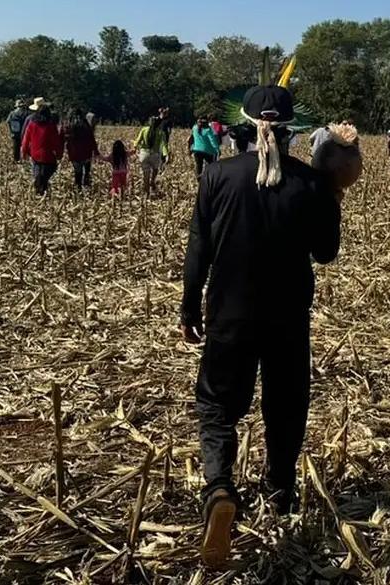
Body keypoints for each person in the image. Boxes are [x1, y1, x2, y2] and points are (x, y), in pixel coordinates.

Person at [179, 85, 343, 569]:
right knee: (285, 404)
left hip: (228, 313)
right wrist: (332, 191)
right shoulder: (310, 184)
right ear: (290, 129)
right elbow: (325, 253)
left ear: (245, 127)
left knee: (216, 402)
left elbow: (198, 248)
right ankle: (281, 490)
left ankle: (220, 487)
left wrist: (189, 306)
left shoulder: (218, 175)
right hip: (287, 316)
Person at [20, 97, 63, 196]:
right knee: (48, 172)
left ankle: (39, 188)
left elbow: (26, 139)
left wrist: (24, 152)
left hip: (35, 154)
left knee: (37, 172)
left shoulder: (31, 124)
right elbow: (56, 141)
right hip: (48, 155)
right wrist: (59, 154)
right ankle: (42, 188)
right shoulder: (51, 125)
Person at [62, 108, 99, 191]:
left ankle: (78, 189)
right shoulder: (86, 125)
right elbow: (91, 139)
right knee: (86, 171)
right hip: (86, 152)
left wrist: (61, 151)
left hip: (74, 153)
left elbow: (63, 139)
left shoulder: (68, 126)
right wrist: (96, 151)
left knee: (78, 172)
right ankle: (86, 185)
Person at [133, 116, 167, 197]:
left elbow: (137, 141)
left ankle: (147, 193)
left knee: (146, 175)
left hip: (144, 154)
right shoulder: (161, 133)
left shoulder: (144, 130)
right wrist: (166, 154)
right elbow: (163, 145)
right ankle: (153, 181)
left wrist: (134, 146)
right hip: (155, 155)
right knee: (155, 169)